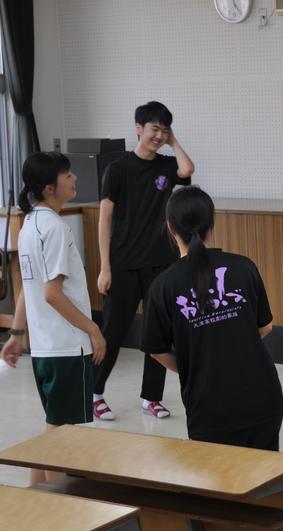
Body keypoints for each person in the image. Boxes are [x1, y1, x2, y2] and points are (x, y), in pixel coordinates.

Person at [141, 186, 283, 450]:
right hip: (263, 400)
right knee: (265, 473)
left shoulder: (163, 286)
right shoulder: (243, 267)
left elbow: (156, 350)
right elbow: (265, 326)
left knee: (219, 475)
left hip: (209, 408)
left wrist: (195, 364)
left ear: (170, 228)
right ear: (212, 223)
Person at [1, 152, 106, 484]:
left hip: (46, 349)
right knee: (61, 436)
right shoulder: (55, 228)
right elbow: (51, 293)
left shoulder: (29, 224)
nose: (74, 178)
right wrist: (94, 329)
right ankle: (60, 505)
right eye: (67, 175)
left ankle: (35, 497)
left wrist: (16, 334)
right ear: (49, 188)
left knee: (53, 425)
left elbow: (28, 287)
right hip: (66, 347)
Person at [92, 101, 194, 420]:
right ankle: (94, 392)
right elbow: (104, 219)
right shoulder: (117, 169)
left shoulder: (166, 165)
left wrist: (173, 141)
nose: (158, 136)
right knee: (113, 331)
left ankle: (151, 397)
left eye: (164, 130)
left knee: (158, 333)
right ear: (138, 128)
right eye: (154, 129)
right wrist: (105, 267)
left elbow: (187, 170)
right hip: (123, 264)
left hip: (160, 263)